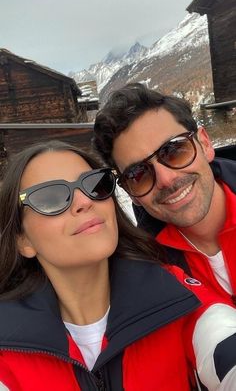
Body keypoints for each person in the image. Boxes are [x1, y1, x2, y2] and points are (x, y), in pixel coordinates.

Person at [0, 140, 235, 390]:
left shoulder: (177, 297)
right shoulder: (6, 345)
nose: (84, 201)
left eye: (94, 184)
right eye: (50, 197)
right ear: (22, 240)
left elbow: (222, 342)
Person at [93, 82, 236, 306]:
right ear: (129, 192)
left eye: (174, 150)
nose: (166, 179)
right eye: (138, 173)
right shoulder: (146, 276)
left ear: (205, 143)